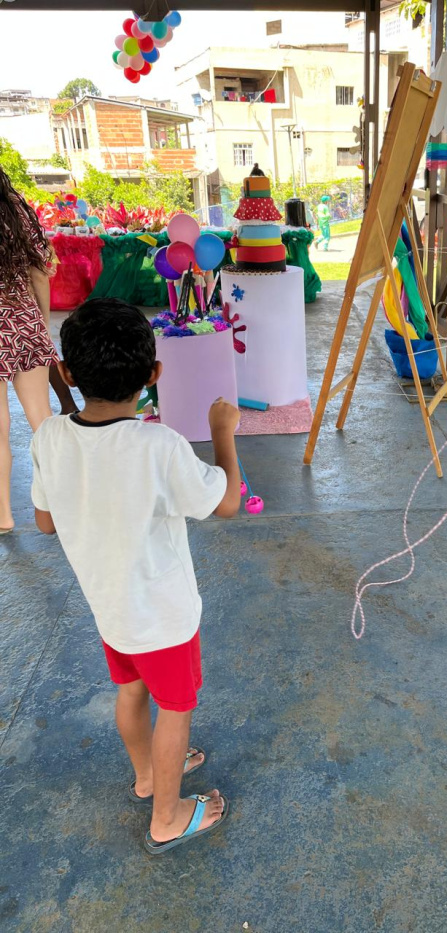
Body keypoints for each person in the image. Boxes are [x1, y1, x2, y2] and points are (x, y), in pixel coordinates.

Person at [30, 298, 242, 854]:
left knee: (130, 691)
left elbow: (45, 522)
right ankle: (167, 818)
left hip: (110, 609)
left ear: (67, 373)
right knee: (176, 709)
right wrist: (223, 433)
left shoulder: (48, 436)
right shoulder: (159, 445)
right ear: (154, 375)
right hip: (164, 617)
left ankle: (148, 776)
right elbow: (225, 503)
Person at [0, 168, 59, 534]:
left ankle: (3, 515)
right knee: (43, 421)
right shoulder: (15, 208)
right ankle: (61, 504)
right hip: (23, 321)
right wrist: (43, 325)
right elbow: (40, 273)